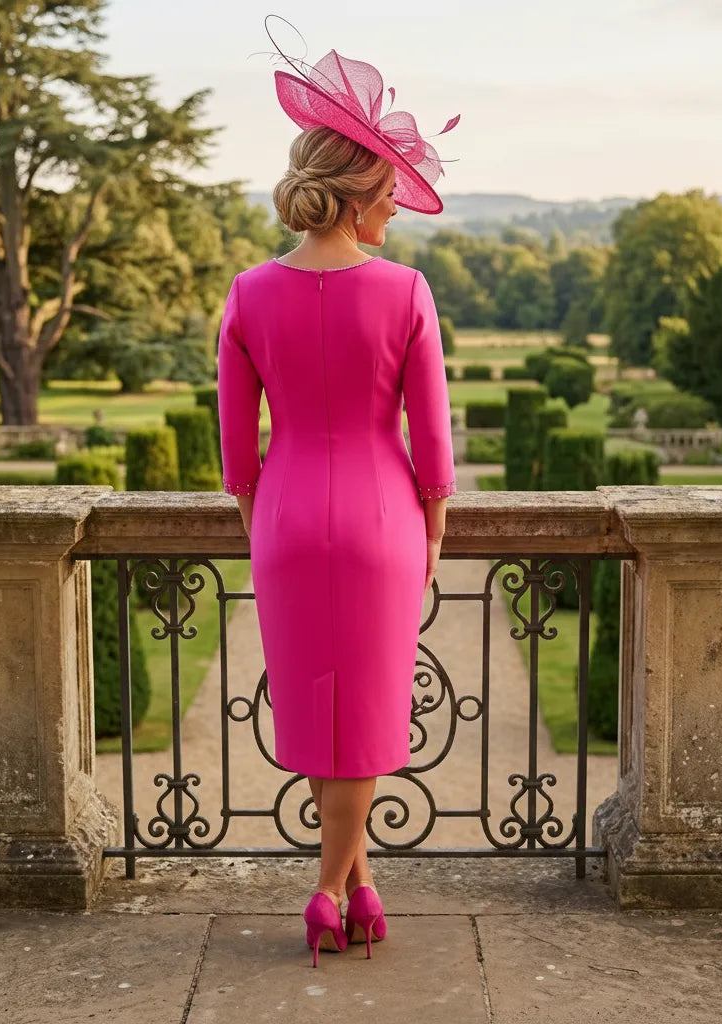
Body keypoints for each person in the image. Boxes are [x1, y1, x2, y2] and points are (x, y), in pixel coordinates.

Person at [217, 17, 460, 967]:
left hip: (283, 518)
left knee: (321, 708)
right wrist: (434, 530)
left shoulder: (246, 290)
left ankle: (360, 885)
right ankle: (327, 888)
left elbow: (239, 452)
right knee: (362, 713)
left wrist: (259, 522)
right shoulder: (405, 293)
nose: (394, 214)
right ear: (359, 199)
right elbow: (431, 443)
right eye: (390, 198)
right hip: (381, 519)